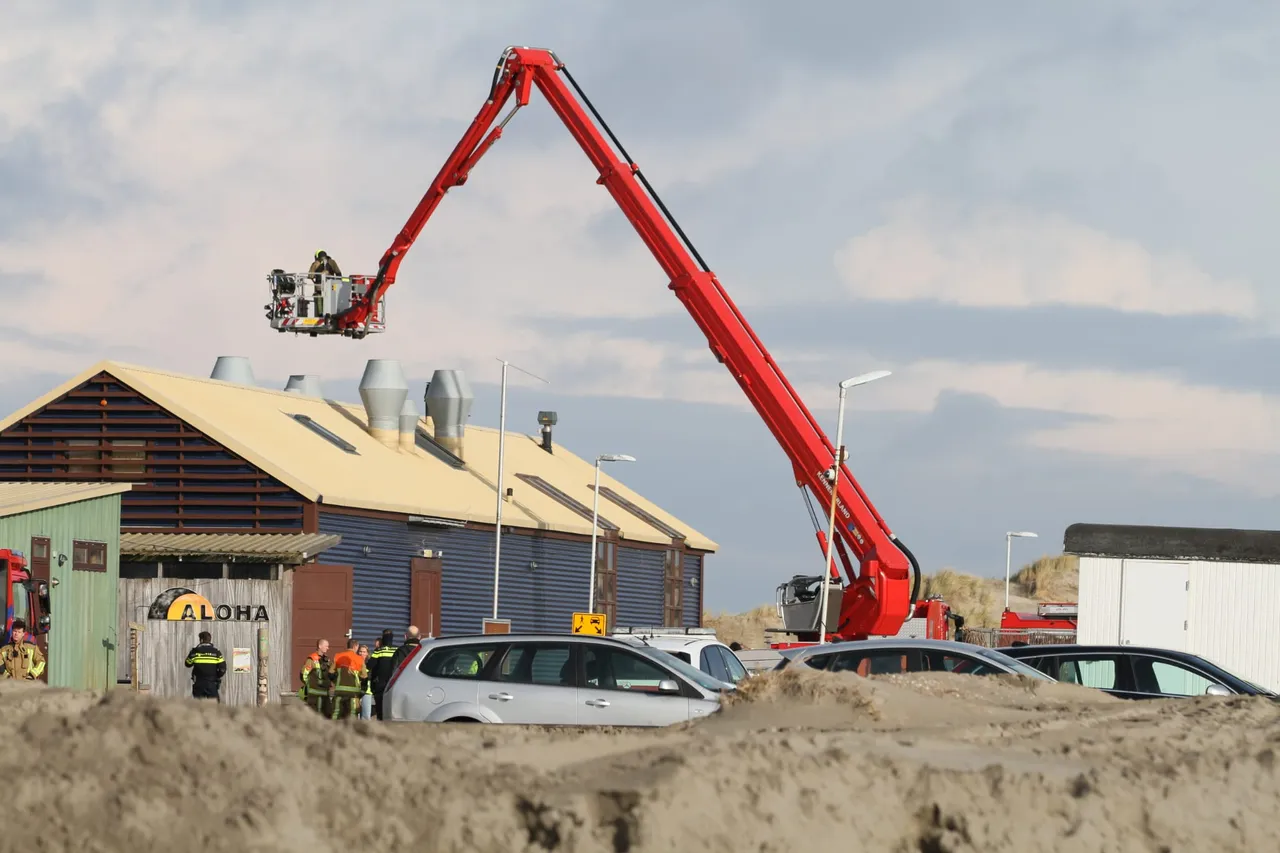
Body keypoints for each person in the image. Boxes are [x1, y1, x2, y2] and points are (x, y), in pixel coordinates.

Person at [330, 638, 367, 722]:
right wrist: (362, 691)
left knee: (336, 713)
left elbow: (330, 673)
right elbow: (364, 677)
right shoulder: (359, 659)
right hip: (353, 694)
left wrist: (336, 682)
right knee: (352, 715)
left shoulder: (337, 656)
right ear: (355, 646)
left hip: (339, 691)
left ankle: (332, 732)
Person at [183, 630, 226, 701]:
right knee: (213, 705)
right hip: (212, 682)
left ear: (201, 640)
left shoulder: (195, 652)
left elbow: (188, 664)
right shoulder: (216, 652)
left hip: (199, 682)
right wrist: (217, 676)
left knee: (198, 706)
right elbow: (222, 669)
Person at [367, 628, 399, 721]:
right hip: (393, 684)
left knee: (380, 712)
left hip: (380, 685)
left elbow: (369, 665)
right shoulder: (397, 650)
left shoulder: (379, 651)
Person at [298, 638, 332, 717]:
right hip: (314, 696)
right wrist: (310, 684)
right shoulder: (312, 659)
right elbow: (303, 675)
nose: (328, 648)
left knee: (327, 716)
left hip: (325, 695)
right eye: (326, 646)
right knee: (315, 717)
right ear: (320, 646)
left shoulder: (327, 660)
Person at [307, 250, 342, 316]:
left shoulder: (315, 263)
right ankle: (332, 313)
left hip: (319, 287)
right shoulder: (332, 262)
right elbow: (338, 273)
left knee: (318, 296)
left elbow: (310, 275)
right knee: (331, 298)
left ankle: (320, 313)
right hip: (332, 287)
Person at [356, 644, 373, 720]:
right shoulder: (355, 662)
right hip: (356, 691)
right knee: (356, 715)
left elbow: (371, 676)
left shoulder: (369, 664)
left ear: (367, 653)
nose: (362, 653)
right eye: (360, 651)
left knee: (366, 716)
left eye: (364, 652)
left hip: (367, 692)